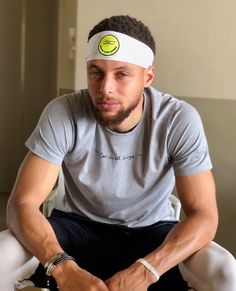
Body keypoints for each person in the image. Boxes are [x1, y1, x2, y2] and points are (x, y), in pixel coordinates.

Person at [1, 15, 236, 291]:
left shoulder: (179, 119)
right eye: (96, 72)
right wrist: (61, 266)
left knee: (225, 271)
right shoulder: (62, 112)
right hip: (76, 227)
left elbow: (204, 216)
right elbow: (22, 205)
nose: (105, 88)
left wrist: (147, 271)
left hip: (152, 233)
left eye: (122, 74)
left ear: (147, 76)